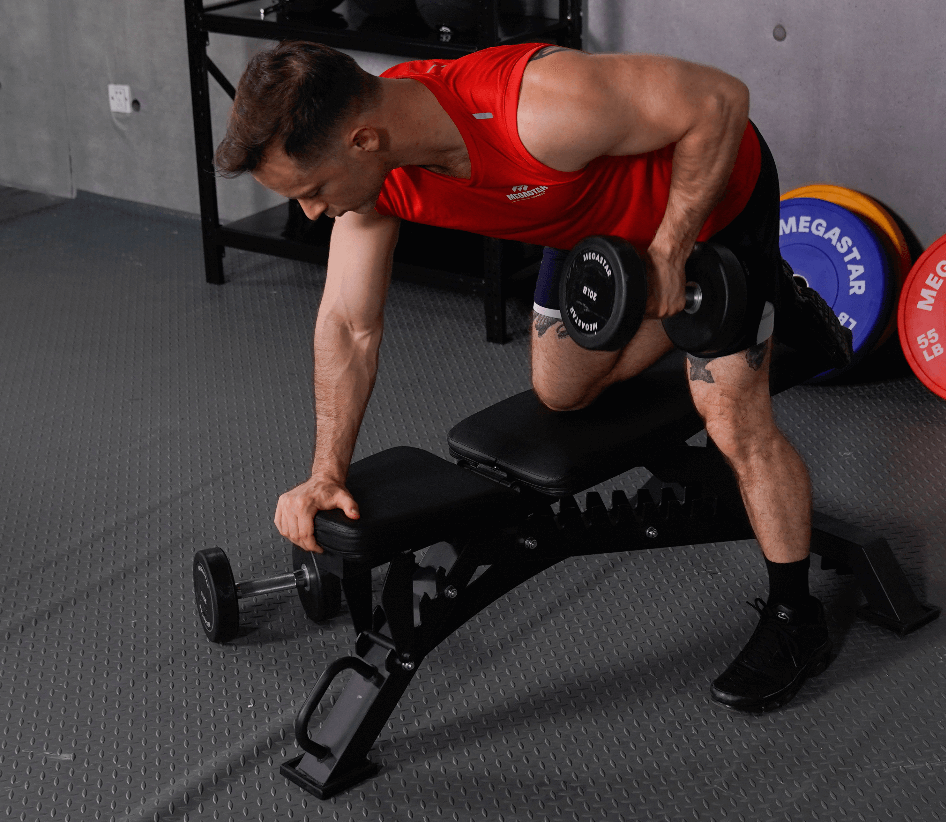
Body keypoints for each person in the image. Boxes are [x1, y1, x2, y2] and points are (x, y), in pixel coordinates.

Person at [214, 40, 836, 713]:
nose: (310, 213)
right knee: (561, 393)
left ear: (363, 139)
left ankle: (793, 615)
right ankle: (711, 312)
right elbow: (347, 324)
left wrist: (670, 250)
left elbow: (721, 100)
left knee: (732, 418)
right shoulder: (376, 174)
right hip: (591, 230)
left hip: (710, 204)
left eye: (311, 192)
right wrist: (326, 471)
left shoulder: (536, 108)